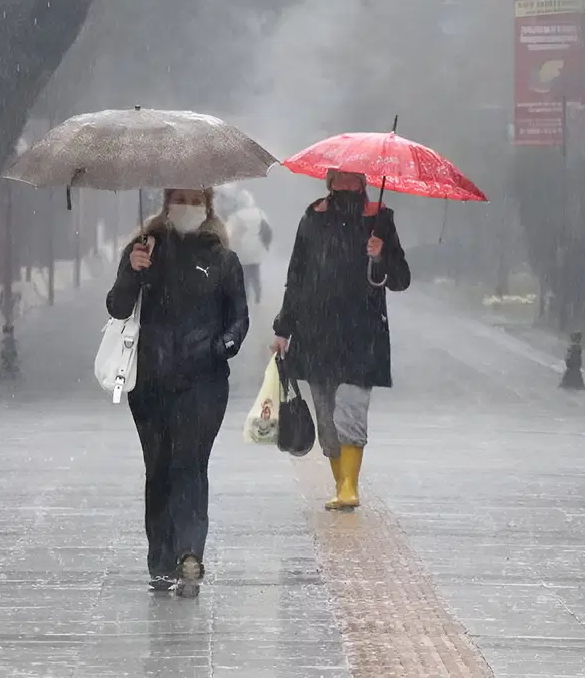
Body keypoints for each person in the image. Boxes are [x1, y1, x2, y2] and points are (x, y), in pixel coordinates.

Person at [106, 187, 249, 597]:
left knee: (190, 464)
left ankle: (189, 553)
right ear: (167, 203)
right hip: (149, 380)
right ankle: (160, 560)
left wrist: (219, 347)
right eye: (179, 197)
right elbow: (117, 306)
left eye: (193, 197)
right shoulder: (144, 250)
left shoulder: (222, 259)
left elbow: (238, 319)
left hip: (203, 383)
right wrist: (133, 271)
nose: (185, 205)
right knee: (160, 469)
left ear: (207, 205)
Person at [270, 169, 410, 511]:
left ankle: (350, 486)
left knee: (351, 410)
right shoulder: (312, 217)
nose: (346, 186)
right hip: (316, 333)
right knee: (327, 418)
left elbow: (401, 278)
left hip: (363, 335)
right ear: (329, 183)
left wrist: (380, 256)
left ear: (363, 184)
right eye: (340, 180)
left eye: (353, 181)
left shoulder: (380, 219)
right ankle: (339, 483)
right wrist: (283, 327)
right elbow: (297, 276)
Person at [223, 189, 273, 305]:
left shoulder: (235, 217)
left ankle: (247, 299)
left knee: (244, 276)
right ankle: (258, 298)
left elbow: (228, 233)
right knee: (255, 274)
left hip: (241, 251)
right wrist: (266, 246)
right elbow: (268, 231)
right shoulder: (261, 213)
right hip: (257, 249)